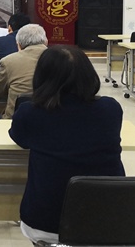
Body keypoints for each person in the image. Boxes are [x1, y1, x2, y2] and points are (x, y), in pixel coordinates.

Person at [9, 46, 125, 244]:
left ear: (42, 77)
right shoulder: (110, 109)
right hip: (107, 218)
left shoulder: (30, 112)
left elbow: (20, 139)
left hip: (45, 222)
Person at [0, 24, 48, 118]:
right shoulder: (62, 59)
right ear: (46, 42)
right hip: (53, 117)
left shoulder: (8, 61)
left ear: (19, 44)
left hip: (16, 118)